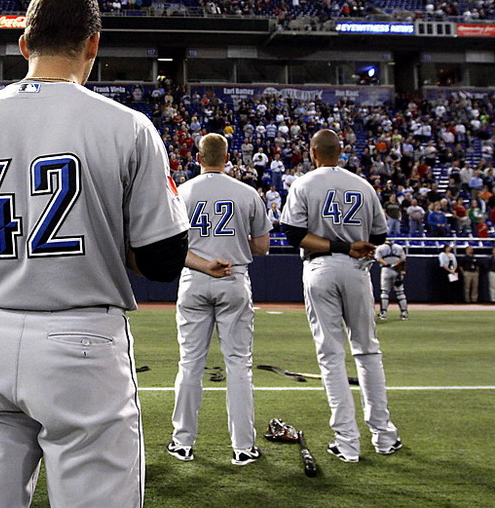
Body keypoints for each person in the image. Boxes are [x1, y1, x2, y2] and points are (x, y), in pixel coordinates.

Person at [0, 0, 227, 508]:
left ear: (23, 45)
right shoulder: (127, 126)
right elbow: (162, 260)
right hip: (82, 339)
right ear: (93, 46)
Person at [280, 129, 401, 463]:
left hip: (320, 268)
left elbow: (293, 235)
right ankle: (384, 435)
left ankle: (347, 443)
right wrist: (352, 245)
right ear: (341, 151)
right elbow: (378, 234)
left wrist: (338, 244)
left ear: (313, 152)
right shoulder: (363, 185)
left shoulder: (303, 183)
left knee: (331, 355)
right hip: (357, 269)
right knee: (367, 350)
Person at [168, 133, 271, 466]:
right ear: (227, 158)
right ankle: (242, 447)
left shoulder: (180, 193)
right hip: (233, 276)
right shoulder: (246, 193)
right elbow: (262, 246)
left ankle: (182, 442)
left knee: (189, 363)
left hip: (195, 276)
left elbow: (171, 246)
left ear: (197, 157)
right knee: (238, 364)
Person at [374, 240, 408, 320]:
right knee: (400, 292)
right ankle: (404, 313)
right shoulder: (399, 247)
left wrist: (388, 265)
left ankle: (384, 313)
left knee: (385, 292)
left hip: (386, 270)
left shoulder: (380, 247)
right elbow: (403, 259)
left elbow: (378, 259)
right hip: (397, 270)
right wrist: (395, 265)